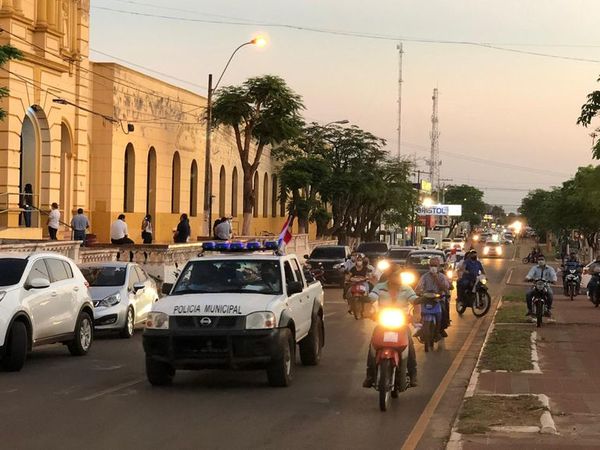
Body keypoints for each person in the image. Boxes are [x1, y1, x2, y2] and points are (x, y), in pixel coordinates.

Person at [363, 267, 419, 388]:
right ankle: (370, 375)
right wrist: (367, 311)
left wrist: (417, 314)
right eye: (396, 276)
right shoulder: (380, 287)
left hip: (402, 324)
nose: (399, 278)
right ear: (389, 277)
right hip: (383, 323)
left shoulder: (406, 288)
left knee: (409, 345)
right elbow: (372, 297)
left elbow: (415, 301)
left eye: (399, 276)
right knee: (373, 346)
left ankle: (413, 374)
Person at [415, 258, 451, 338]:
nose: (433, 267)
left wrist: (436, 278)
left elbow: (445, 288)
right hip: (426, 298)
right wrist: (418, 292)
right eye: (432, 265)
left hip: (438, 299)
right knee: (418, 308)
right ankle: (420, 327)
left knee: (443, 310)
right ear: (429, 266)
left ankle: (441, 329)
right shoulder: (424, 276)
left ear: (438, 267)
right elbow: (419, 287)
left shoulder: (442, 277)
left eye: (435, 265)